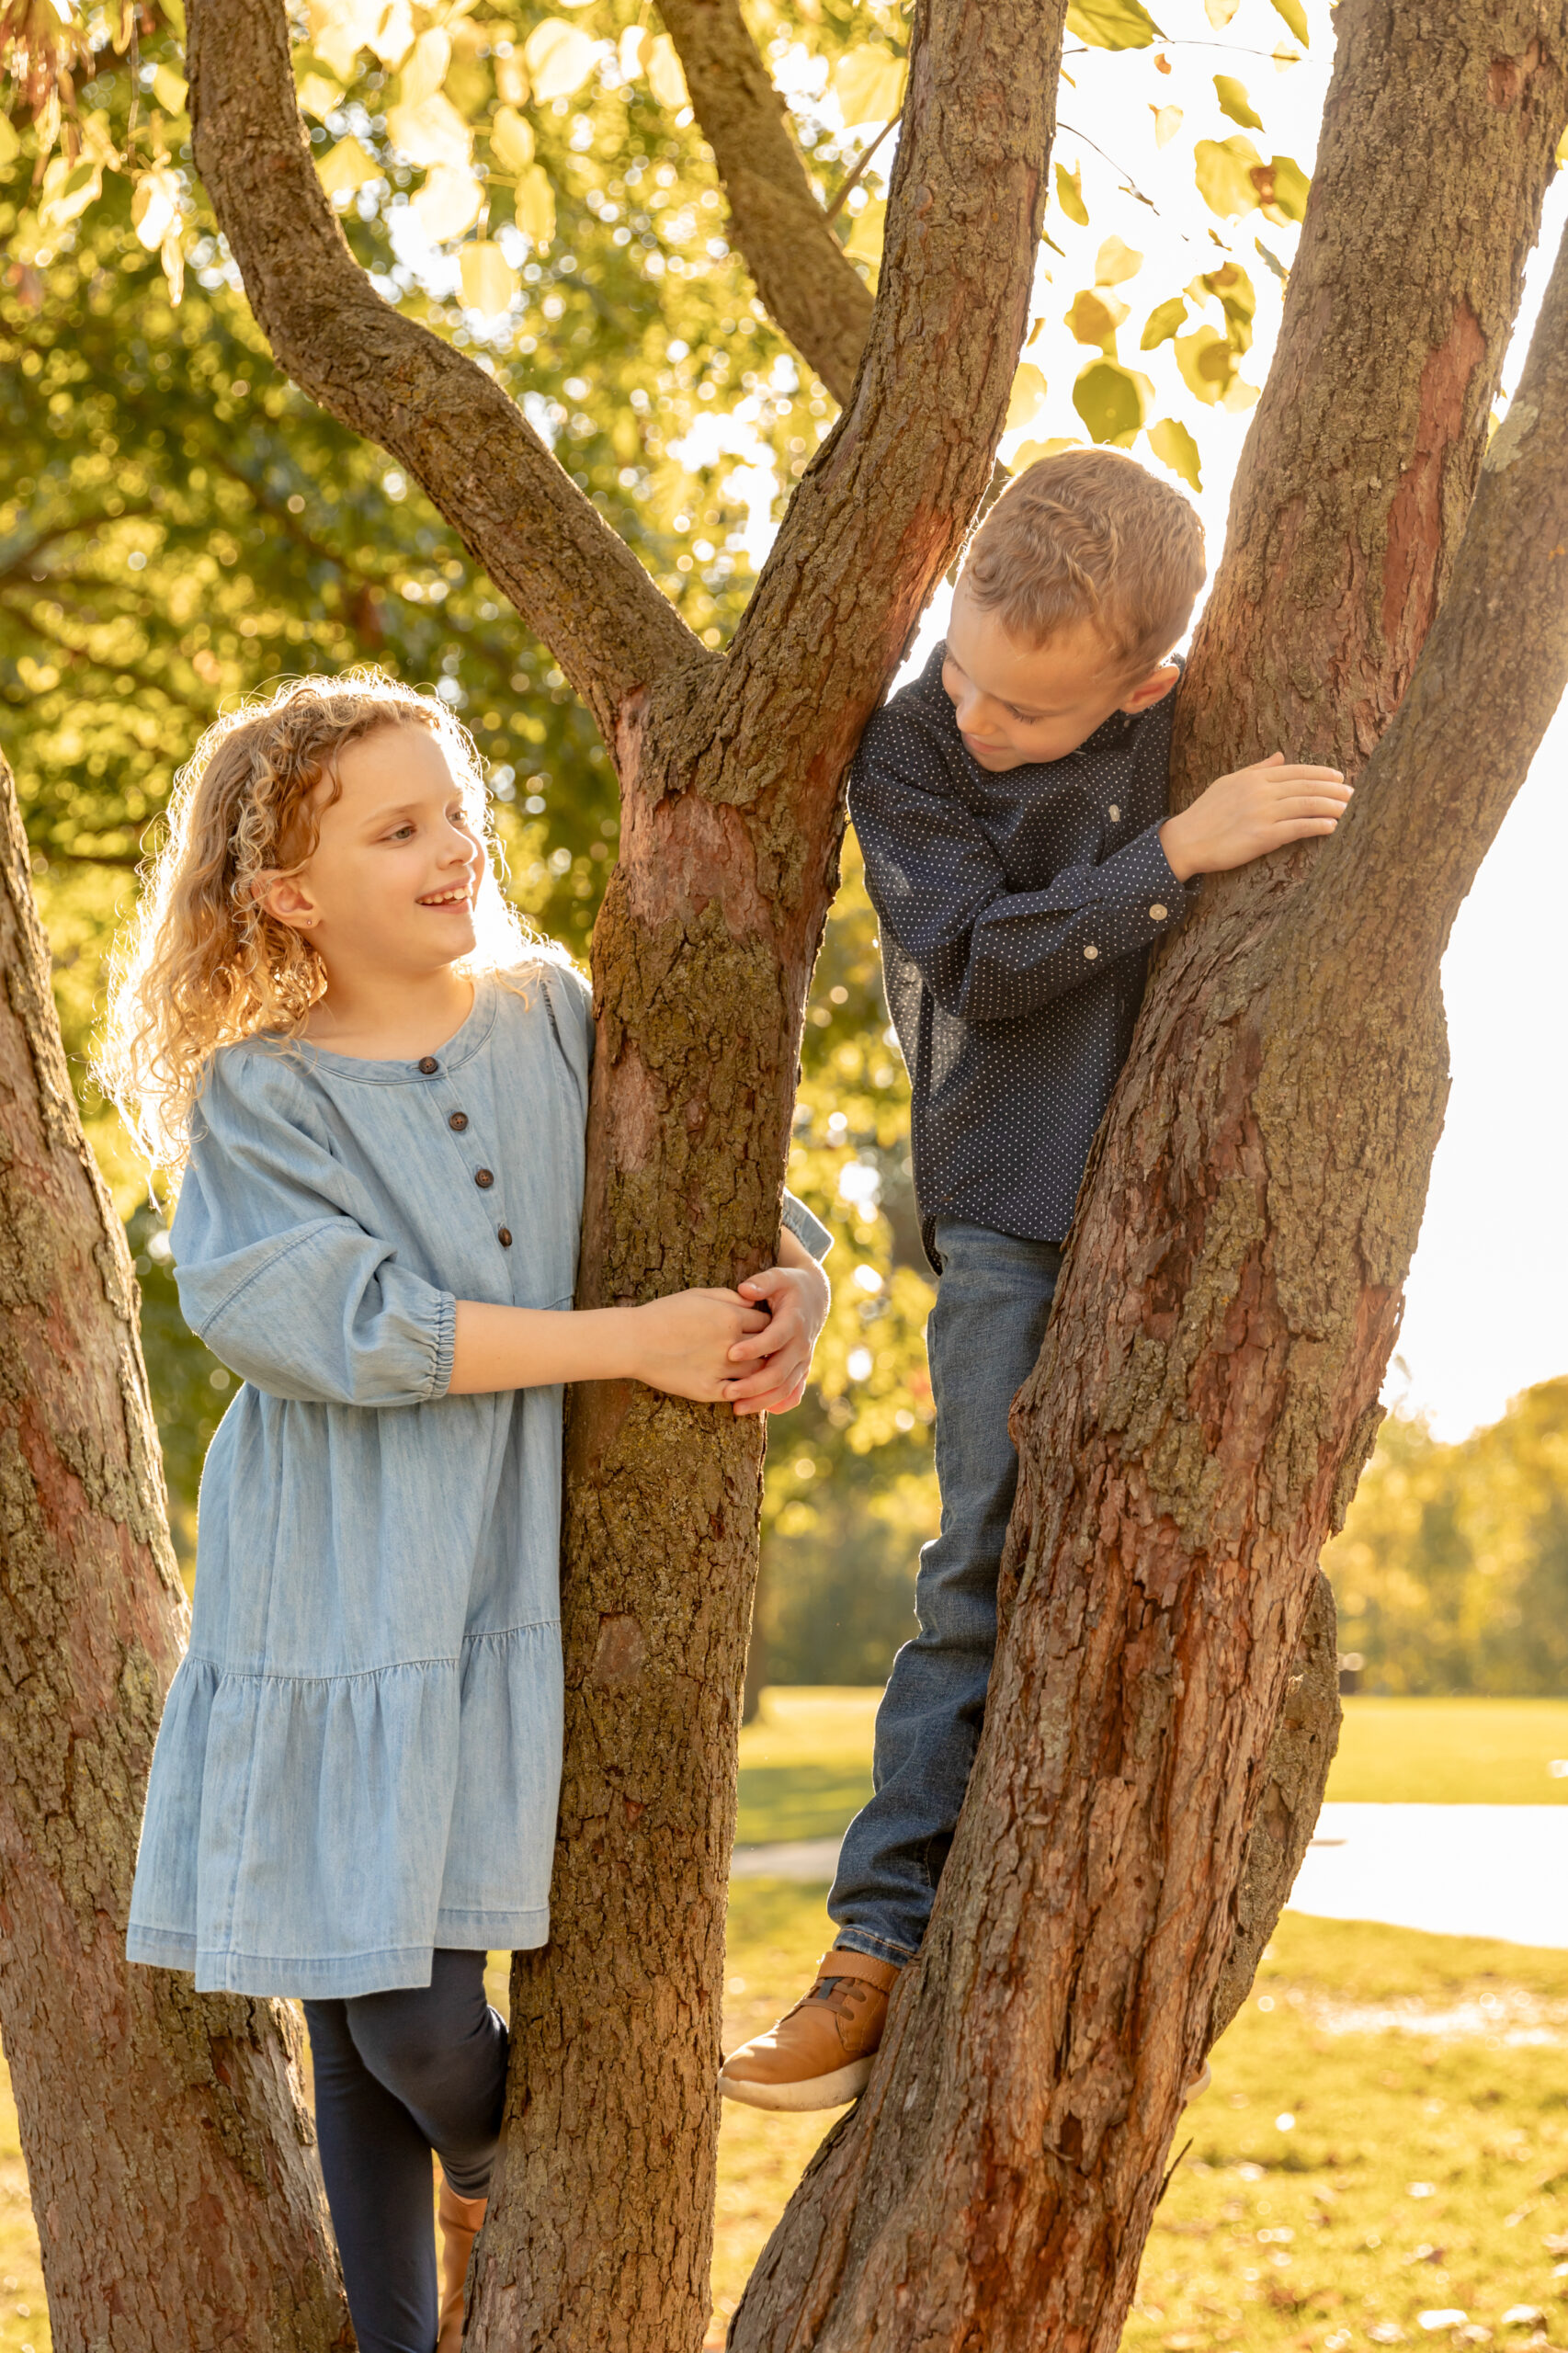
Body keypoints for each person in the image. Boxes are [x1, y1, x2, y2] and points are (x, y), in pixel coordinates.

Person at [100, 673, 833, 2353]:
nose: (455, 846)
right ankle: (495, 2200)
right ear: (291, 892)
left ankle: (405, 2332)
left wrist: (798, 1291)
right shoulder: (260, 1093)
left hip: (500, 1568)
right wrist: (625, 1344)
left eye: (453, 809)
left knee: (380, 2017)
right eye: (399, 826)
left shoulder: (553, 1012)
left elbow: (740, 1205)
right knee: (399, 2023)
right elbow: (325, 1322)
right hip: (334, 1582)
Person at [719, 446, 1351, 2114]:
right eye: (973, 676)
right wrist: (1175, 854)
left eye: (1035, 714)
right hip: (1006, 1203)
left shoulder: (1181, 715)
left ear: (1144, 683)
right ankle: (873, 1947)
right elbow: (984, 965)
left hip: (1190, 1204)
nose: (986, 721)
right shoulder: (911, 751)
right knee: (974, 1558)